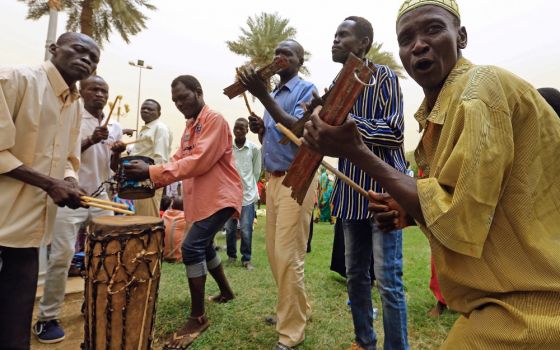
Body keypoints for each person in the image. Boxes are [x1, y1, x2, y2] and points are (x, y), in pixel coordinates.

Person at [303, 0, 560, 348]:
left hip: (532, 309)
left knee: (387, 280)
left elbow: (459, 216)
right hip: (499, 302)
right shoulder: (438, 111)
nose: (418, 44)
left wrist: (355, 149)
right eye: (406, 38)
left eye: (433, 29)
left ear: (462, 36)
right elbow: (484, 197)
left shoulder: (478, 89)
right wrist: (411, 211)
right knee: (356, 277)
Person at [123, 75, 242, 349]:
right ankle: (226, 291)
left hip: (221, 197)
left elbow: (199, 161)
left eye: (183, 97)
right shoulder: (190, 126)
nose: (179, 104)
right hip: (201, 199)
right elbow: (179, 158)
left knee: (191, 248)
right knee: (205, 247)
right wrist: (152, 174)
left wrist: (152, 171)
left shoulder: (215, 120)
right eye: (175, 100)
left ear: (198, 92)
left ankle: (198, 317)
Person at [0, 32, 100, 350]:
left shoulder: (72, 103)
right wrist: (49, 183)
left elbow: (69, 159)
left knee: (15, 325)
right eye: (79, 50)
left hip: (30, 232)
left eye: (94, 58)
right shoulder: (16, 80)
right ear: (54, 48)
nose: (86, 59)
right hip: (3, 218)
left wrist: (69, 180)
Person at [327, 16, 408, 350]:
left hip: (382, 194)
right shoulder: (334, 86)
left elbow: (394, 131)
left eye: (342, 35)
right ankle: (364, 342)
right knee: (355, 276)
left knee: (388, 282)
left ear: (363, 44)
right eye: (333, 35)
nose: (334, 40)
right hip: (350, 195)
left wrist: (347, 123)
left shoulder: (383, 76)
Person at [32, 75, 125, 343]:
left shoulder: (114, 126)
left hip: (100, 197)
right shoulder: (71, 119)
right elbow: (60, 157)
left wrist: (117, 153)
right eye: (93, 89)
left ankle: (92, 301)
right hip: (70, 199)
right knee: (60, 258)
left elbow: (112, 168)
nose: (99, 94)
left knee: (105, 257)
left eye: (104, 90)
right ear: (81, 91)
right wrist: (90, 141)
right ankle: (47, 318)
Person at [238, 39, 317, 350]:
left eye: (288, 53)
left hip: (298, 180)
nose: (280, 57)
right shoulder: (272, 95)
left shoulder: (306, 90)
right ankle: (298, 308)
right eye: (277, 53)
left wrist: (262, 97)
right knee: (274, 253)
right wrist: (262, 128)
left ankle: (291, 332)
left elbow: (298, 130)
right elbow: (279, 137)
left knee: (288, 254)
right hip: (273, 181)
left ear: (299, 60)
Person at [224, 117, 261, 271]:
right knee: (230, 228)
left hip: (247, 195)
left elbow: (257, 172)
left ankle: (246, 259)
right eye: (236, 128)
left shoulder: (253, 149)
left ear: (247, 130)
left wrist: (249, 187)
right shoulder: (227, 147)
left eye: (241, 128)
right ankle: (231, 256)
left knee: (246, 228)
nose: (238, 131)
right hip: (230, 195)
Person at [128, 98, 173, 217]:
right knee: (140, 217)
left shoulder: (160, 128)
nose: (146, 110)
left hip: (149, 181)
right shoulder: (146, 129)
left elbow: (161, 158)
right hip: (139, 180)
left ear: (158, 113)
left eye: (150, 109)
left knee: (148, 219)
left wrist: (154, 181)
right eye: (143, 108)